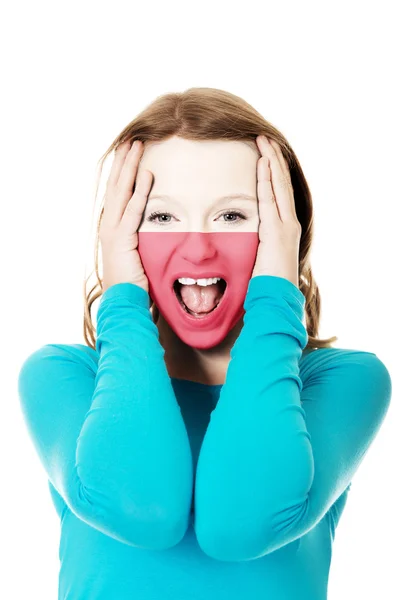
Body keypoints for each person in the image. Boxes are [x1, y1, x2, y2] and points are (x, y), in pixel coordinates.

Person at [17, 87, 392, 600]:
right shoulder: (62, 377)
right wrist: (122, 302)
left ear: (283, 236)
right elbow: (140, 509)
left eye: (233, 217)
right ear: (120, 236)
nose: (197, 248)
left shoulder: (342, 382)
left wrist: (276, 297)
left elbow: (243, 524)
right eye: (161, 217)